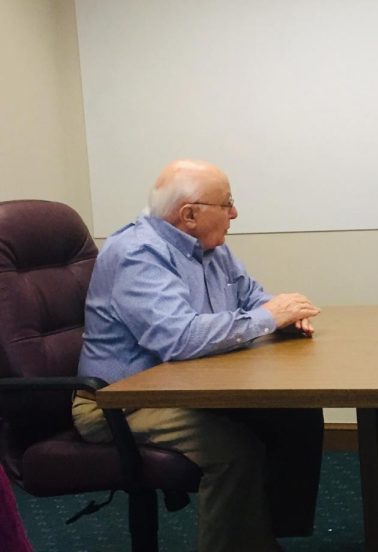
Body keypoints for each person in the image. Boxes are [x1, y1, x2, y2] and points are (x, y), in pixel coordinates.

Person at [73, 159, 324, 552]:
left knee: (295, 412)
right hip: (119, 402)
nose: (235, 213)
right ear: (189, 214)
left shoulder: (212, 248)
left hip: (183, 385)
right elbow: (180, 339)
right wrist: (266, 318)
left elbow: (251, 298)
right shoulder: (137, 253)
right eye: (227, 204)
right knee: (233, 450)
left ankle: (264, 538)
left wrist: (281, 316)